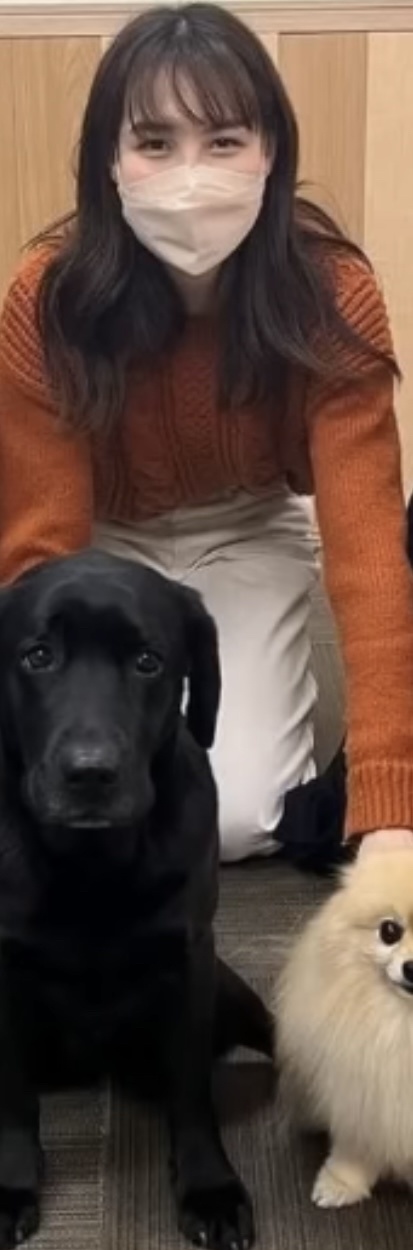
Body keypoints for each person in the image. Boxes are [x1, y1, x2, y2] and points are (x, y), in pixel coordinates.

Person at [1, 1, 413, 864]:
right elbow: (42, 552)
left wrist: (389, 808)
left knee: (233, 819)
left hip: (247, 525)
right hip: (97, 539)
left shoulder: (332, 294)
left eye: (223, 141)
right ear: (109, 161)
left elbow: (369, 554)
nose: (190, 174)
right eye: (154, 143)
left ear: (271, 153)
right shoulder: (47, 300)